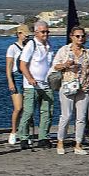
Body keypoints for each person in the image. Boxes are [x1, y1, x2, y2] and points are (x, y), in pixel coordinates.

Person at [52, 26, 89, 155]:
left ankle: (78, 144)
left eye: (82, 36)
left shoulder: (87, 52)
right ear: (71, 37)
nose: (80, 38)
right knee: (66, 116)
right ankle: (60, 141)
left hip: (84, 88)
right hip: (67, 86)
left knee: (81, 117)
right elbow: (55, 66)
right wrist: (65, 65)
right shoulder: (64, 50)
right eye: (77, 36)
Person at [18, 21, 54, 150]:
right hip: (31, 85)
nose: (46, 34)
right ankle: (23, 137)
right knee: (28, 112)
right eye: (43, 32)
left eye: (47, 32)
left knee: (47, 111)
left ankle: (43, 137)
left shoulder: (49, 45)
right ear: (36, 32)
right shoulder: (31, 45)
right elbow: (23, 65)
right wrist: (30, 78)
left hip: (46, 84)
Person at [5, 25, 30, 145]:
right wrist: (10, 81)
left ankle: (25, 132)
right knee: (18, 107)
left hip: (27, 76)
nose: (26, 37)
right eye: (24, 34)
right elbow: (9, 66)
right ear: (19, 34)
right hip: (17, 77)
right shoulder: (12, 48)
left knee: (28, 108)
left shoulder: (29, 46)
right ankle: (14, 131)